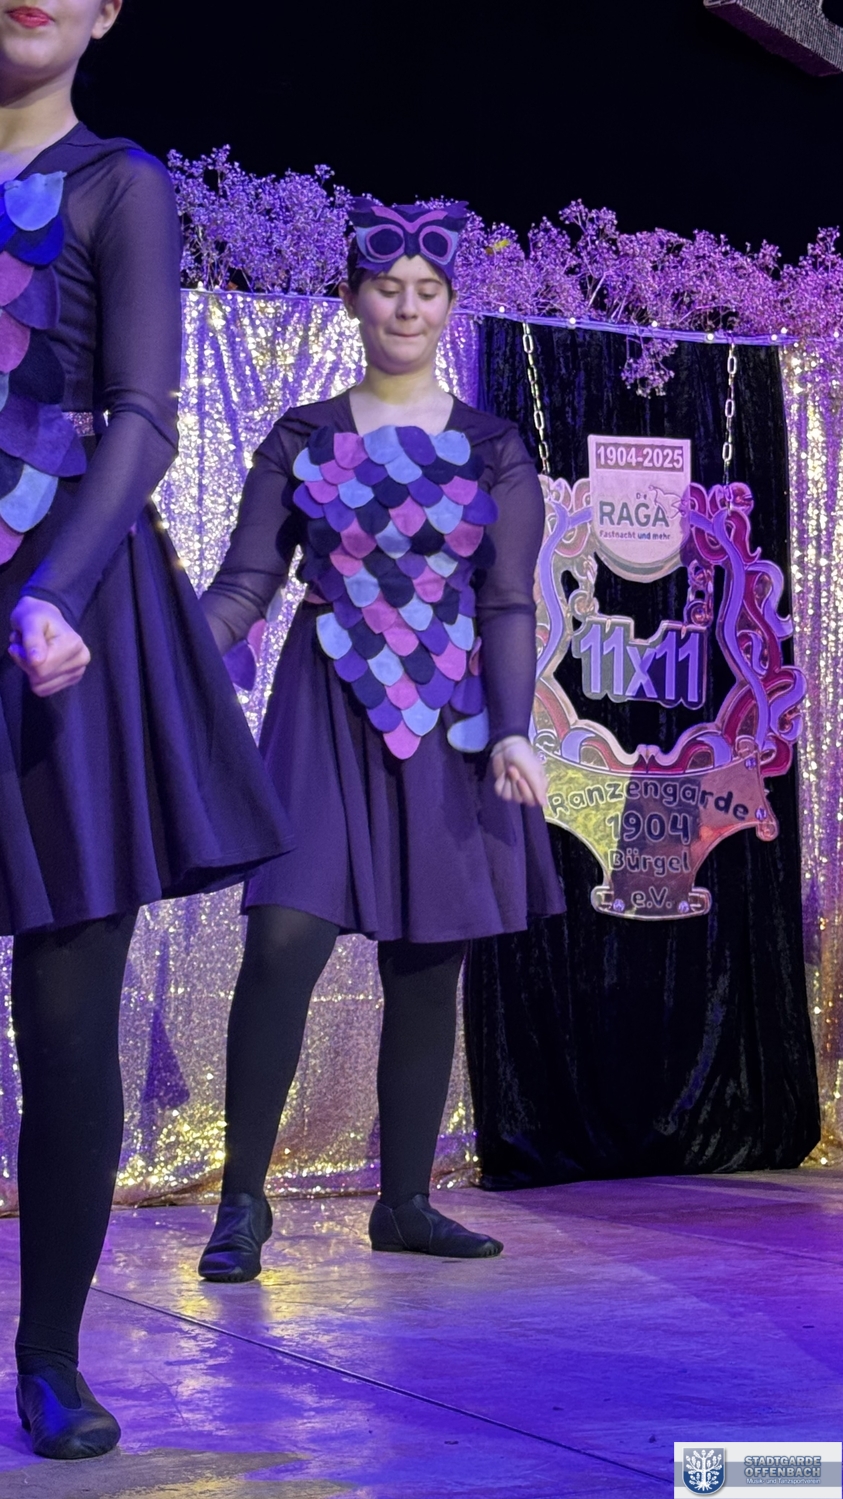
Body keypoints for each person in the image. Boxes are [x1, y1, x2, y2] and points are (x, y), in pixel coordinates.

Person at [0, 0, 293, 1463]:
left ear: (109, 8)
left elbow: (142, 414)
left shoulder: (122, 185)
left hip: (65, 613)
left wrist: (55, 588)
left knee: (64, 1016)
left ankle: (48, 1355)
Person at [197, 197, 566, 1283]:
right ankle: (242, 1201)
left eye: (427, 291)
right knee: (283, 939)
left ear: (448, 306)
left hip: (449, 713)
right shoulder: (302, 435)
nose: (406, 307)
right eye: (387, 288)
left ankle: (404, 1200)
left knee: (428, 957)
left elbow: (507, 600)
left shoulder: (492, 447)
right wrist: (171, 646)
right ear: (354, 300)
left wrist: (513, 730)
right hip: (324, 703)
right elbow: (247, 582)